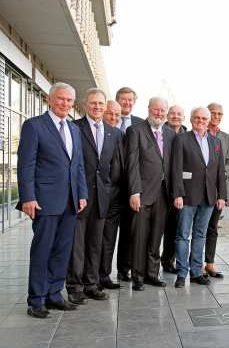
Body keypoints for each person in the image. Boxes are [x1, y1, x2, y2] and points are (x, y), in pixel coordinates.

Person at [17, 82, 88, 318]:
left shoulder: (73, 129)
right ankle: (36, 299)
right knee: (42, 250)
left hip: (70, 201)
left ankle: (55, 294)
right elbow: (26, 165)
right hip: (44, 201)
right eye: (61, 99)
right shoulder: (34, 126)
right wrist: (28, 197)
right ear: (50, 99)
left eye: (69, 100)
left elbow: (77, 165)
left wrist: (82, 194)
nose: (65, 104)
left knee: (62, 250)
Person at [66, 89, 123, 304]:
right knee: (77, 244)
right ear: (85, 104)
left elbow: (115, 166)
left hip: (102, 196)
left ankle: (92, 284)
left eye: (101, 104)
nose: (97, 107)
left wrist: (109, 189)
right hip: (80, 195)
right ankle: (75, 286)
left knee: (95, 243)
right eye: (93, 103)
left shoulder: (114, 133)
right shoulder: (75, 128)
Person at [171, 107, 227, 287]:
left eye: (204, 118)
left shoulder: (216, 142)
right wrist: (177, 193)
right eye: (197, 117)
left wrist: (221, 196)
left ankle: (196, 273)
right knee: (182, 235)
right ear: (191, 119)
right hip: (187, 196)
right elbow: (176, 169)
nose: (200, 121)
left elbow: (219, 171)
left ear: (208, 120)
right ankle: (181, 273)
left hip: (209, 197)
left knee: (200, 234)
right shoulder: (181, 139)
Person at [126, 97, 176, 291]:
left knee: (156, 236)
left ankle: (152, 274)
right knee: (139, 236)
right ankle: (137, 275)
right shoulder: (136, 131)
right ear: (148, 109)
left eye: (163, 110)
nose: (159, 113)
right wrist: (134, 192)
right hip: (142, 193)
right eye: (156, 110)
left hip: (164, 194)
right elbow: (132, 164)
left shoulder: (171, 134)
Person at [115, 87, 144, 282]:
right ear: (117, 100)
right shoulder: (108, 118)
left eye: (130, 100)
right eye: (123, 100)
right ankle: (99, 273)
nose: (126, 103)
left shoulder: (141, 124)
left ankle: (125, 269)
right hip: (110, 185)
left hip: (133, 186)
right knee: (106, 232)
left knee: (130, 230)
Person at [204, 103, 229, 278]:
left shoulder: (226, 137)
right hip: (200, 189)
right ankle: (197, 264)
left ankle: (210, 263)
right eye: (213, 113)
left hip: (220, 189)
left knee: (212, 228)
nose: (216, 116)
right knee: (198, 228)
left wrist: (220, 174)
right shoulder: (201, 133)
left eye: (219, 114)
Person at [99, 100, 125, 289]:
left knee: (109, 237)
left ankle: (104, 276)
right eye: (110, 113)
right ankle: (88, 277)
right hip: (96, 194)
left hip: (116, 195)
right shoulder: (92, 132)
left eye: (117, 115)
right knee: (93, 238)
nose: (114, 118)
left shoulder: (120, 134)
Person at [161, 104, 187, 273]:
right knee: (157, 228)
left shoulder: (189, 136)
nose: (176, 116)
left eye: (179, 114)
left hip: (182, 189)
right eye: (172, 113)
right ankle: (148, 263)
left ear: (183, 117)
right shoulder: (158, 132)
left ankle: (169, 260)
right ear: (167, 116)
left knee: (176, 227)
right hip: (160, 187)